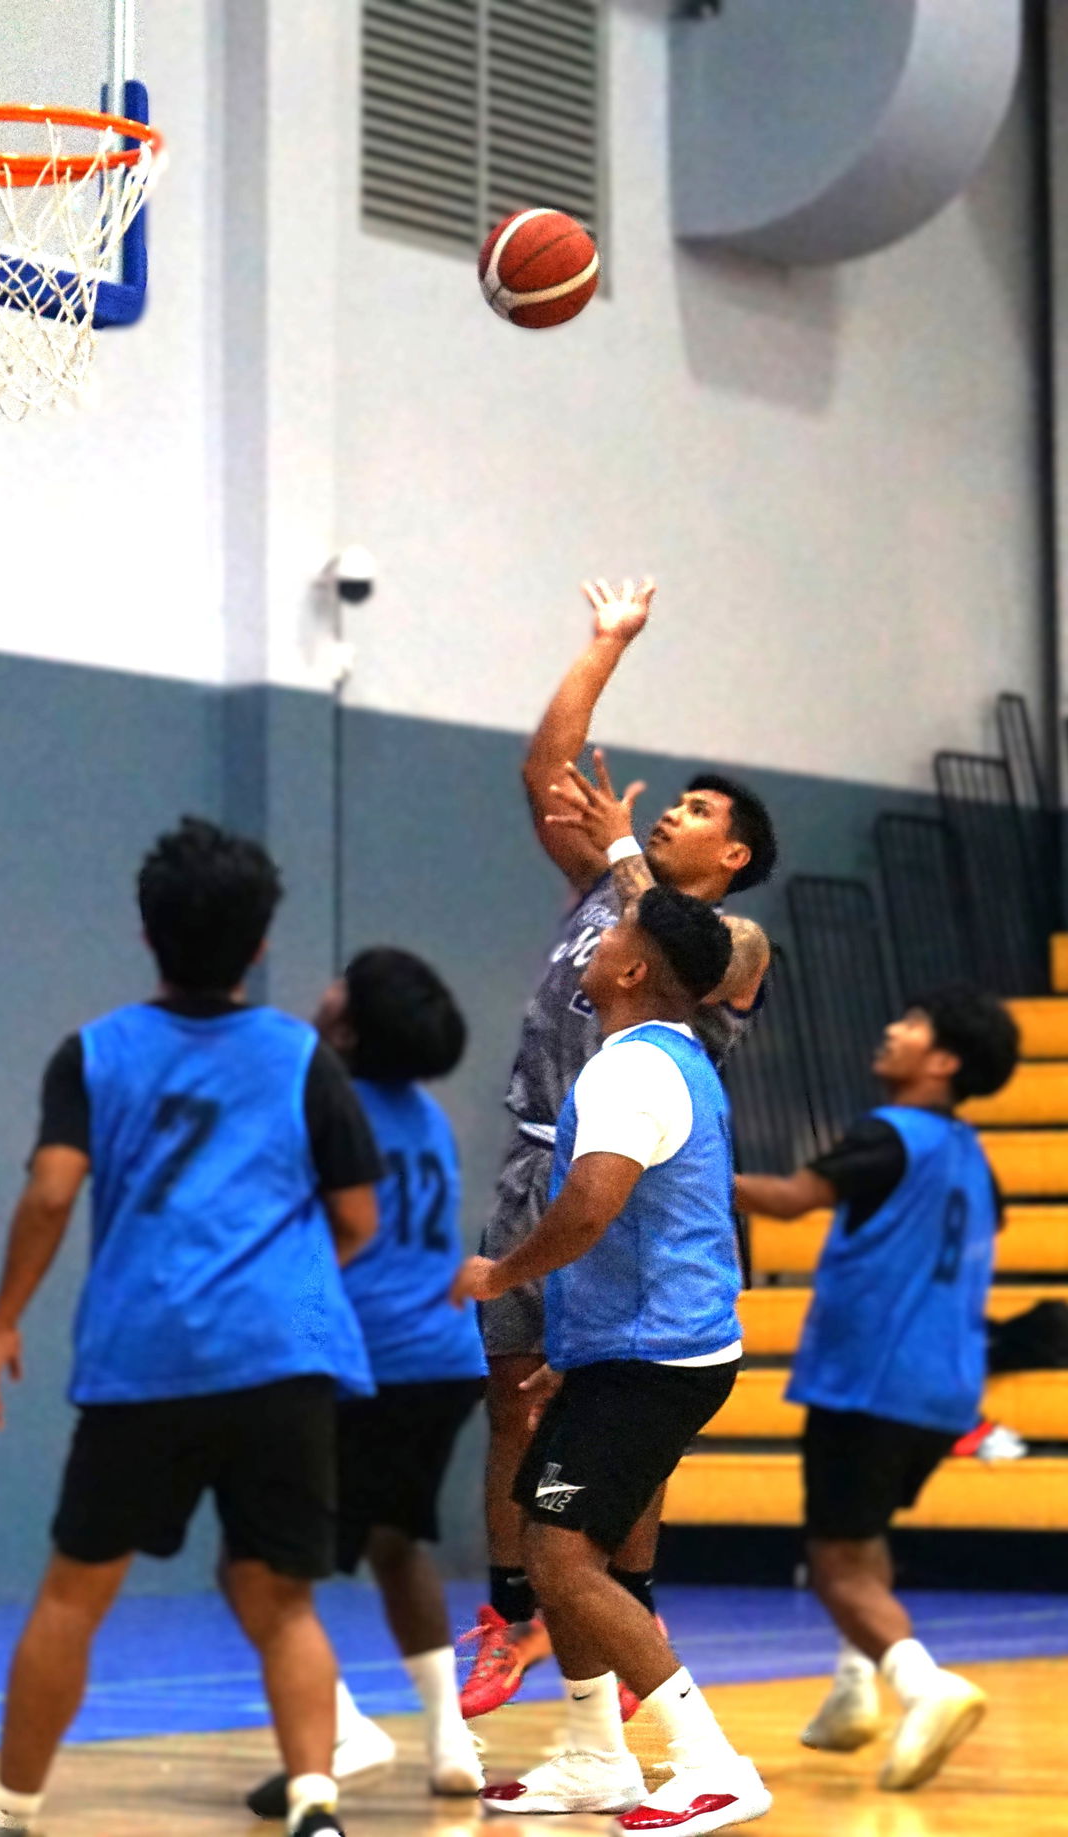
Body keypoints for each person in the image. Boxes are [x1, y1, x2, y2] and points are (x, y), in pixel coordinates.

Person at [0, 818, 382, 1837]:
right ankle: (317, 1811)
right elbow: (360, 1218)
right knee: (283, 1597)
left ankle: (10, 1817)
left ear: (147, 933)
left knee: (74, 1593)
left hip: (144, 1357)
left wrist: (4, 1317)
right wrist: (280, 1284)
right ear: (258, 944)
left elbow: (50, 1189)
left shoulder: (95, 1051)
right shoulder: (301, 1055)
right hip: (280, 1361)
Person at [466, 576, 777, 1721]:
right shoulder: (602, 892)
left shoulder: (734, 939)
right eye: (671, 803)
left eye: (696, 809)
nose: (669, 814)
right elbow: (545, 773)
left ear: (733, 855)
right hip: (534, 1160)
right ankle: (512, 1610)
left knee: (611, 1406)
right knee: (511, 1397)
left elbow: (695, 956)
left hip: (633, 1192)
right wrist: (605, 645)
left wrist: (622, 864)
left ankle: (628, 1601)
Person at [455, 887, 771, 1836]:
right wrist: (576, 1353)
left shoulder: (629, 1071)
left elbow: (592, 1207)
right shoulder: (664, 1058)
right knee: (556, 1553)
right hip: (631, 1348)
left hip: (655, 1354)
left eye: (610, 935)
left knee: (560, 1551)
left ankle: (713, 1764)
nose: (590, 945)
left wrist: (501, 1270)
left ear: (633, 970)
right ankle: (598, 1756)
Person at [734, 985, 1018, 1792]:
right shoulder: (975, 1158)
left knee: (834, 1562)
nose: (893, 1028)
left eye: (914, 1024)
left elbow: (793, 1201)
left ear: (943, 1061)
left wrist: (684, 1170)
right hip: (946, 1386)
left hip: (871, 1378)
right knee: (865, 1541)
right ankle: (854, 1690)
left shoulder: (890, 1134)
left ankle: (923, 1685)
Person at [245, 947, 487, 1819]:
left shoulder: (325, 1104)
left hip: (367, 1358)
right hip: (448, 1360)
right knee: (396, 1545)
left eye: (338, 982)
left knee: (263, 1562)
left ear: (346, 1025)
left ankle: (341, 1725)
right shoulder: (427, 1114)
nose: (324, 986)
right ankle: (451, 1741)